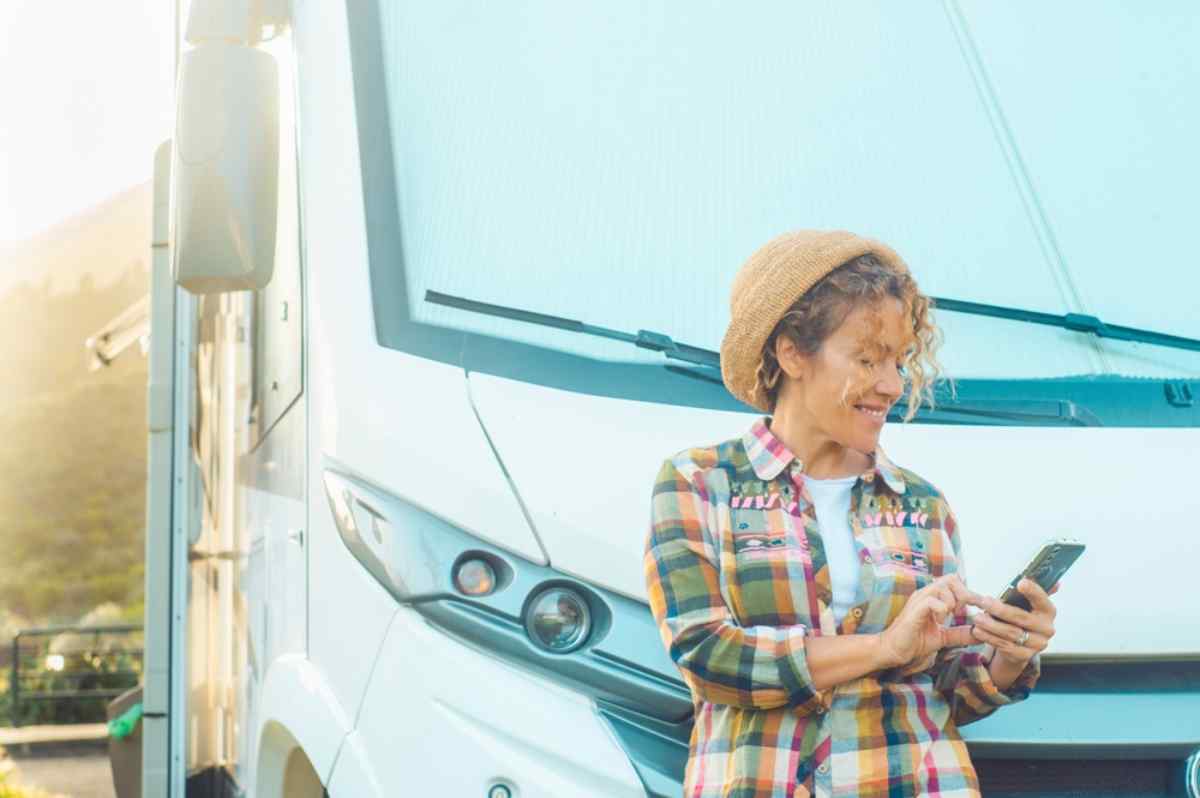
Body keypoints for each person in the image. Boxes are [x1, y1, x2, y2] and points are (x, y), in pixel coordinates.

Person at [643, 229, 1061, 798]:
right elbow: (708, 656)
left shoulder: (923, 504)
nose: (890, 385)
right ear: (791, 352)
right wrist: (882, 648)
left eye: (898, 360)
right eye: (867, 358)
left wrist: (1008, 654)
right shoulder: (698, 483)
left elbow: (949, 691)